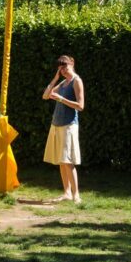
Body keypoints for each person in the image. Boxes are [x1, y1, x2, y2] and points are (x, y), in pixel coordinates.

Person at [42, 55, 85, 204]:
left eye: (65, 66)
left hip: (69, 125)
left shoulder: (76, 81)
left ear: (72, 64)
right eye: (60, 68)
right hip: (57, 123)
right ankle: (66, 193)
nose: (63, 70)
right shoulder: (63, 82)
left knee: (68, 161)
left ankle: (76, 195)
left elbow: (80, 106)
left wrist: (60, 99)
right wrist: (55, 78)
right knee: (61, 160)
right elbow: (46, 96)